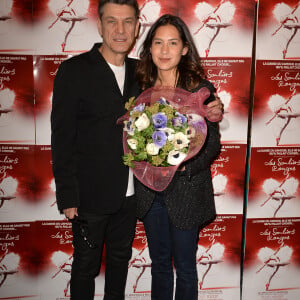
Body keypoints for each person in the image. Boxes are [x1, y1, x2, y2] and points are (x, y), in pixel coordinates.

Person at [50, 1, 140, 299]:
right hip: (89, 198)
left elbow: (182, 87)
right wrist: (67, 195)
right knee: (85, 268)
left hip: (130, 197)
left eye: (128, 22)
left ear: (137, 27)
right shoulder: (74, 71)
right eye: (112, 21)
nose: (120, 29)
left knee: (120, 264)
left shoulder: (142, 72)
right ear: (100, 26)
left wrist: (210, 102)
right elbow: (62, 137)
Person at [134, 14, 222, 300]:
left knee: (185, 267)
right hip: (150, 194)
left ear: (184, 48)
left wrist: (179, 166)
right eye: (158, 43)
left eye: (172, 43)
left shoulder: (200, 90)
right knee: (159, 266)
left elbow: (211, 146)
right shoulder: (140, 89)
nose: (164, 50)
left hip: (186, 190)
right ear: (150, 48)